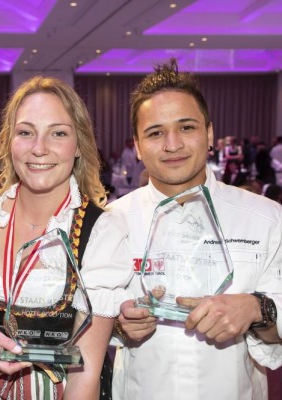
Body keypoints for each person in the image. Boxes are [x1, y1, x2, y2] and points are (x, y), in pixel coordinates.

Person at [0, 76, 133, 399]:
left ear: (79, 145)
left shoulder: (101, 231)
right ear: (9, 141)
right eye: (25, 132)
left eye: (58, 133)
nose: (39, 148)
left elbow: (85, 373)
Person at [108, 59, 282, 400]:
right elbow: (88, 314)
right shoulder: (111, 222)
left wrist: (255, 309)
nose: (173, 144)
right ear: (138, 145)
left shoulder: (267, 218)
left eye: (186, 127)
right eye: (155, 133)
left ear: (209, 134)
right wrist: (119, 324)